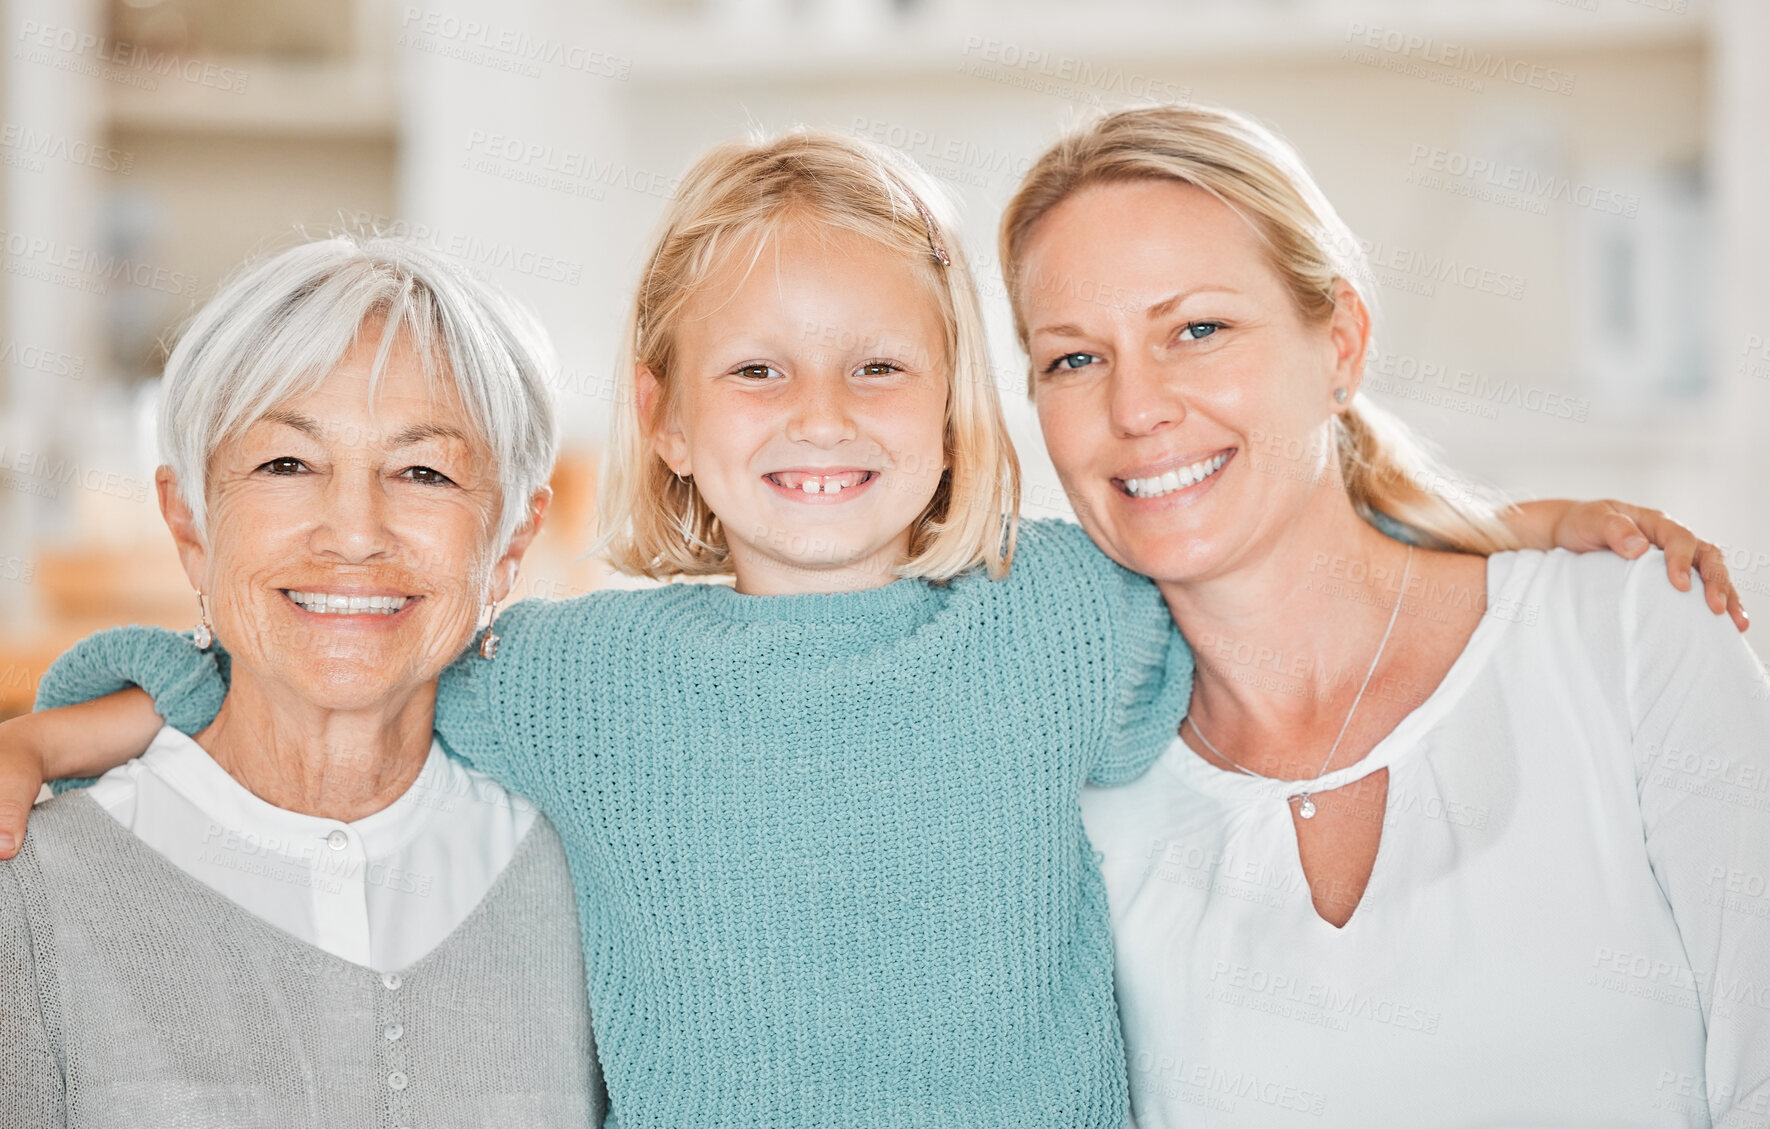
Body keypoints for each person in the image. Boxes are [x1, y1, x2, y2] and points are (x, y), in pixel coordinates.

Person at [0, 130, 1742, 1128]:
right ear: (666, 413)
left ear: (956, 406)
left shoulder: (1060, 608)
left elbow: (1276, 551)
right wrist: (71, 715)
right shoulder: (574, 676)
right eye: (758, 368)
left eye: (880, 365)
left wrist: (1498, 527)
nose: (819, 412)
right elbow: (324, 665)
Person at [999, 103, 1769, 1126]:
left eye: (1198, 329)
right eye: (1075, 359)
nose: (1137, 408)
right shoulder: (1071, 783)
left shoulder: (1629, 638)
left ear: (1342, 344)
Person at [0, 236, 603, 1127]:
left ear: (511, 541)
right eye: (287, 464)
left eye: (423, 471)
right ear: (191, 524)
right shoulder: (33, 893)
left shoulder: (597, 875)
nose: (355, 531)